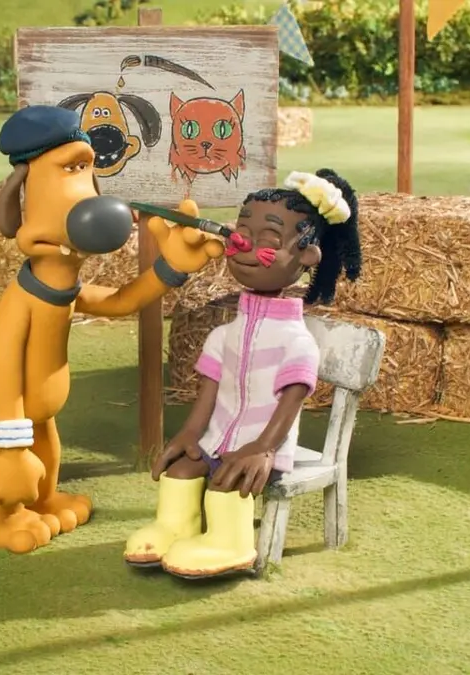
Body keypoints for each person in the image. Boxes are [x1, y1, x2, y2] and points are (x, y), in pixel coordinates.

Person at [123, 168, 363, 579]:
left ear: (307, 256)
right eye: (243, 234)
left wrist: (264, 448)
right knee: (181, 472)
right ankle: (174, 529)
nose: (247, 247)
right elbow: (208, 394)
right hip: (216, 440)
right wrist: (189, 434)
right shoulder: (224, 335)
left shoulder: (296, 342)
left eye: (269, 239)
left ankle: (229, 543)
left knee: (227, 483)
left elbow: (291, 404)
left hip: (260, 448)